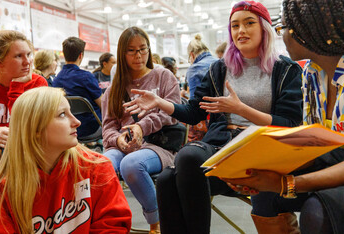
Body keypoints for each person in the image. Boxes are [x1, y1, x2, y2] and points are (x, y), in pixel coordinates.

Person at [124, 1, 303, 233]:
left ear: (264, 28)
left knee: (180, 165)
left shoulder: (285, 69)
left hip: (261, 151)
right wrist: (161, 103)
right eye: (235, 25)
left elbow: (289, 124)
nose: (241, 31)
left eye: (249, 23)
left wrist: (241, 110)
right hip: (222, 148)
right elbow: (193, 113)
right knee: (170, 177)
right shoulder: (219, 68)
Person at [221, 0, 344, 233]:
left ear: (308, 26)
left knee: (318, 209)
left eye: (284, 27)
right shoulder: (312, 71)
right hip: (343, 158)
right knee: (265, 194)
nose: (282, 35)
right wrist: (255, 168)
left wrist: (286, 183)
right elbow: (312, 142)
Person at [0, 87, 132, 233]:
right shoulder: (1, 192)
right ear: (35, 129)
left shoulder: (96, 167)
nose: (77, 122)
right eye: (62, 115)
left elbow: (114, 224)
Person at [101, 26, 181, 234]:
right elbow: (108, 126)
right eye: (131, 50)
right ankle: (109, 223)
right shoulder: (114, 88)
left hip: (158, 143)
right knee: (102, 165)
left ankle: (157, 222)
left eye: (143, 49)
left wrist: (141, 126)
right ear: (122, 53)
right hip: (124, 145)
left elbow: (171, 113)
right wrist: (118, 140)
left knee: (131, 165)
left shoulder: (164, 76)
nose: (138, 55)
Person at [0, 30, 47, 211]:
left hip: (25, 150)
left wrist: (17, 88)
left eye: (28, 54)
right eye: (18, 56)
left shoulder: (38, 83)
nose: (28, 61)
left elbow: (29, 127)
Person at [53, 37, 103, 139]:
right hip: (91, 128)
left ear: (64, 54)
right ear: (81, 55)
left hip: (67, 129)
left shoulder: (56, 79)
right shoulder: (86, 77)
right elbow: (104, 105)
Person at [185, 34, 217, 141]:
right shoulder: (219, 62)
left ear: (191, 55)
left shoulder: (194, 69)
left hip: (207, 120)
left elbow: (195, 104)